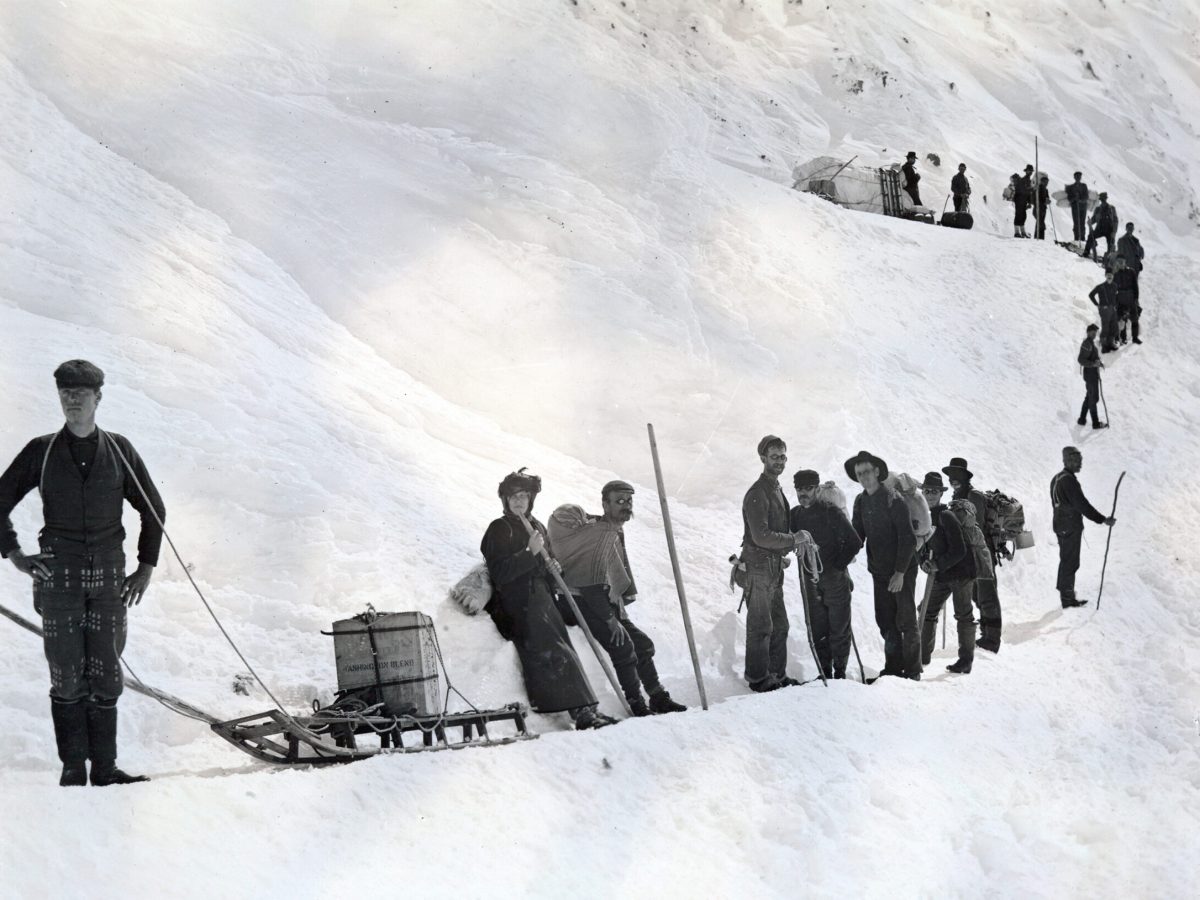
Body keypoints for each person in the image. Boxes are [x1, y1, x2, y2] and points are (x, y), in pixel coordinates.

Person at [0, 360, 164, 787]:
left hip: (110, 579)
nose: (73, 401)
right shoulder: (41, 450)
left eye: (81, 394)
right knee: (66, 673)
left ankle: (105, 770)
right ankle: (73, 770)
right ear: (59, 397)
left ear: (98, 398)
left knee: (107, 673)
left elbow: (153, 509)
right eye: (65, 393)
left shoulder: (120, 450)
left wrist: (146, 566)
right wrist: (15, 554)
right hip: (59, 581)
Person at [481, 469, 614, 731]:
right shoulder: (499, 528)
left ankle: (587, 708)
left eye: (524, 496)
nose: (519, 502)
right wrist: (530, 551)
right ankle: (581, 712)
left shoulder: (538, 526)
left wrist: (553, 567)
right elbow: (500, 573)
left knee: (563, 644)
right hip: (513, 603)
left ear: (531, 499)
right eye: (513, 497)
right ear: (505, 500)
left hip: (540, 599)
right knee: (551, 645)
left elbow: (546, 569)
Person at [547, 481, 687, 716]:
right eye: (619, 501)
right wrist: (610, 619)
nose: (625, 506)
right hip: (578, 600)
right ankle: (636, 703)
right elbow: (589, 581)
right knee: (623, 646)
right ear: (605, 504)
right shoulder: (597, 533)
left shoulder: (609, 530)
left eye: (628, 501)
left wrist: (616, 611)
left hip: (600, 599)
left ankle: (658, 697)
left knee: (643, 644)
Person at [847, 450, 920, 681]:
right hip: (879, 571)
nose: (864, 476)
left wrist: (899, 573)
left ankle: (912, 670)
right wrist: (845, 555)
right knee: (885, 619)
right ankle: (893, 668)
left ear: (877, 472)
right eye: (859, 473)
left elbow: (908, 539)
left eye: (867, 471)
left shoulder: (893, 500)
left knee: (906, 619)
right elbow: (857, 535)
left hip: (902, 570)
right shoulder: (861, 501)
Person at [740, 436, 806, 693]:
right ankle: (758, 678)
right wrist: (793, 539)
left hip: (772, 566)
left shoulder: (775, 489)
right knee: (761, 625)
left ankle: (776, 674)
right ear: (763, 459)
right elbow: (760, 535)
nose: (779, 461)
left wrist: (784, 552)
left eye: (783, 456)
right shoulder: (758, 493)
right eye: (774, 456)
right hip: (758, 568)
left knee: (780, 625)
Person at [789, 469, 863, 680]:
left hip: (834, 579)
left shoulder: (831, 511)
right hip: (809, 580)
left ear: (817, 489)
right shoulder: (795, 515)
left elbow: (854, 542)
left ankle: (839, 673)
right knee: (818, 628)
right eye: (799, 489)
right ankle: (824, 672)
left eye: (808, 488)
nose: (803, 493)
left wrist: (838, 566)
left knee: (839, 627)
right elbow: (787, 538)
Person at [941, 457, 1002, 653]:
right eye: (950, 476)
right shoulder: (957, 497)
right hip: (970, 555)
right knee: (977, 596)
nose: (952, 479)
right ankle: (986, 634)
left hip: (982, 553)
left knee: (987, 596)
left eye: (957, 475)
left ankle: (992, 639)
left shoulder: (973, 496)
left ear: (965, 477)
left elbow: (976, 525)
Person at [917, 473, 976, 674]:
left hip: (961, 573)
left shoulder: (946, 516)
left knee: (963, 615)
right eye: (927, 491)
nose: (930, 495)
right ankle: (922, 656)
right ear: (922, 492)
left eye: (934, 491)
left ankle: (965, 661)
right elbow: (919, 546)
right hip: (941, 574)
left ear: (941, 494)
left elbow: (960, 550)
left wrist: (937, 564)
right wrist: (923, 563)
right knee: (926, 610)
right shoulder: (922, 517)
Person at [1050, 447, 1115, 608]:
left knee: (1066, 560)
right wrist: (1102, 520)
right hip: (1070, 526)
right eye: (1076, 460)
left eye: (1080, 460)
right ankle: (1067, 598)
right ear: (1067, 461)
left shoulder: (1056, 479)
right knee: (1070, 562)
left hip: (1060, 525)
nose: (1079, 464)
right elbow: (1082, 505)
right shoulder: (1068, 480)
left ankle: (1066, 594)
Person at [1117, 223, 1145, 343]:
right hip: (1125, 269)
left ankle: (1134, 336)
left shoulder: (1136, 240)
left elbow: (1141, 253)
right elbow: (1119, 254)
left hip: (1134, 269)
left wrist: (1138, 261)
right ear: (1126, 229)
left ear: (1133, 229)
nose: (1130, 230)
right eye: (1128, 228)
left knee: (1133, 313)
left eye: (1132, 228)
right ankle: (1123, 337)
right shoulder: (1122, 240)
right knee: (1123, 313)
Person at [1076, 324, 1108, 429]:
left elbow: (1092, 357)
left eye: (1095, 332)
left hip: (1093, 375)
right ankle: (1095, 423)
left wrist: (1098, 362)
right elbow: (1081, 360)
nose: (1095, 334)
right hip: (1090, 375)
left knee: (1089, 397)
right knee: (1093, 398)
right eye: (1093, 332)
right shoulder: (1087, 344)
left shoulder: (1091, 344)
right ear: (1088, 332)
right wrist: (1093, 364)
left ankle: (1082, 419)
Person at [1088, 270, 1120, 353]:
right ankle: (1104, 346)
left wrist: (1115, 305)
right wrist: (1097, 304)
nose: (1109, 276)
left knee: (1114, 326)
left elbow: (1116, 296)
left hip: (1113, 309)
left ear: (1113, 276)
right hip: (1104, 309)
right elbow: (1091, 295)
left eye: (1111, 275)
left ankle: (1111, 343)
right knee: (1105, 327)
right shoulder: (1100, 286)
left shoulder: (1115, 286)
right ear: (1105, 276)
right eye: (1108, 275)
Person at [1084, 192, 1118, 260]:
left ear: (1106, 199)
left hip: (1109, 230)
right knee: (1091, 236)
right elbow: (1094, 219)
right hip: (1099, 229)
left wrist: (1114, 231)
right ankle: (1086, 251)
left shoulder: (1111, 208)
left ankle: (1110, 258)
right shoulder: (1098, 209)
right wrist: (1090, 222)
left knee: (1111, 243)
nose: (1103, 200)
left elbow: (1115, 220)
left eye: (1104, 199)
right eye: (1102, 199)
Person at [1112, 257, 1139, 345]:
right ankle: (1123, 339)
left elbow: (1135, 286)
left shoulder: (1131, 272)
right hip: (1121, 299)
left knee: (1134, 318)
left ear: (1125, 262)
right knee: (1122, 319)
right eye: (1118, 262)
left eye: (1122, 261)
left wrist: (1136, 298)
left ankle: (1135, 338)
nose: (1120, 263)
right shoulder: (1115, 275)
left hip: (1131, 298)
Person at [1065, 171, 1090, 241]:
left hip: (1083, 207)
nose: (1078, 178)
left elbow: (1086, 196)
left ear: (1080, 177)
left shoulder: (1084, 186)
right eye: (1076, 176)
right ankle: (1076, 238)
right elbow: (1069, 198)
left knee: (1082, 223)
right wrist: (1074, 198)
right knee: (1076, 223)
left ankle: (1082, 238)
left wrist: (1080, 200)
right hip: (1075, 207)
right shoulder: (1071, 187)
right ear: (1074, 177)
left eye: (1079, 177)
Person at [1013, 165, 1033, 237]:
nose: (1030, 172)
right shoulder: (1023, 180)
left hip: (1023, 200)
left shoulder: (1028, 181)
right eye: (1029, 171)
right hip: (1019, 199)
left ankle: (1023, 232)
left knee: (1023, 215)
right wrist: (1029, 190)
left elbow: (1028, 193)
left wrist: (1029, 202)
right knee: (1018, 215)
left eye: (1031, 171)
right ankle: (1017, 232)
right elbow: (1022, 190)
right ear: (1026, 171)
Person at [1034, 175, 1051, 240]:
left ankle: (1039, 237)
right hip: (1038, 208)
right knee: (1040, 222)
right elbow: (1037, 198)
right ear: (1042, 181)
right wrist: (1045, 201)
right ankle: (1039, 237)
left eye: (1047, 182)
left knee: (1040, 222)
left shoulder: (1045, 190)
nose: (1046, 183)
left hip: (1043, 208)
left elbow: (1047, 198)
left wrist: (1048, 201)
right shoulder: (1038, 188)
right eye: (1045, 182)